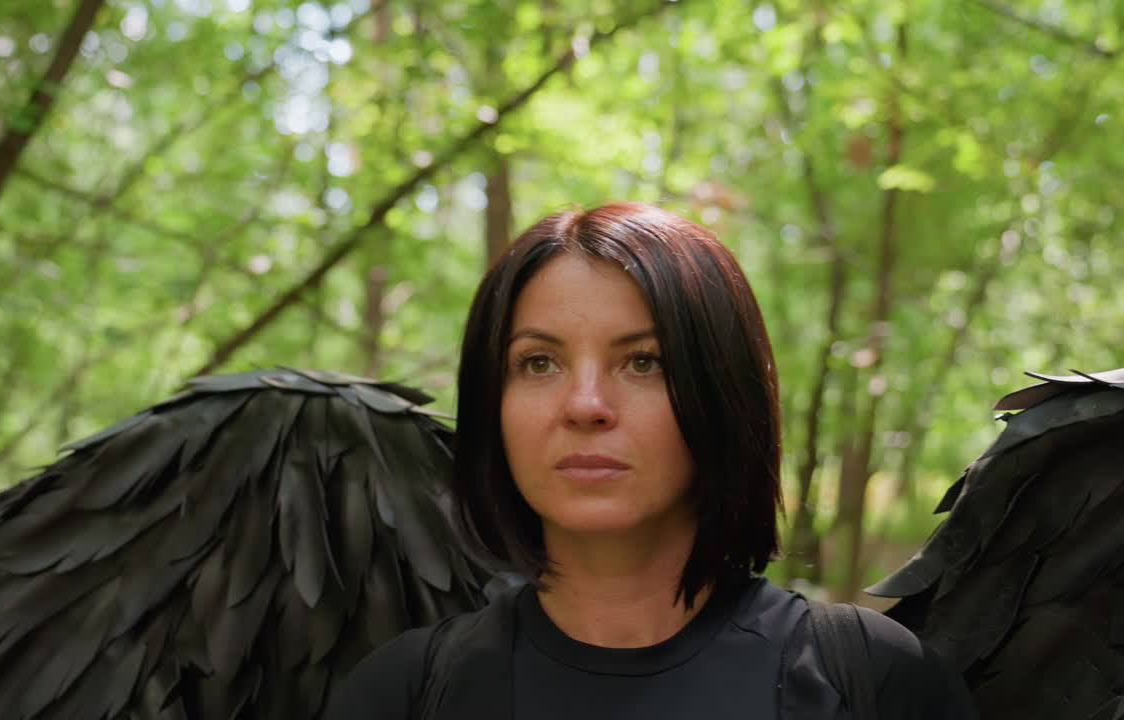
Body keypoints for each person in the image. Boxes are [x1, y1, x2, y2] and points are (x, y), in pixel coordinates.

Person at [323, 202, 976, 719]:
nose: (585, 405)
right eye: (538, 363)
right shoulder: (403, 694)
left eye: (643, 361)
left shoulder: (875, 682)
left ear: (721, 392)